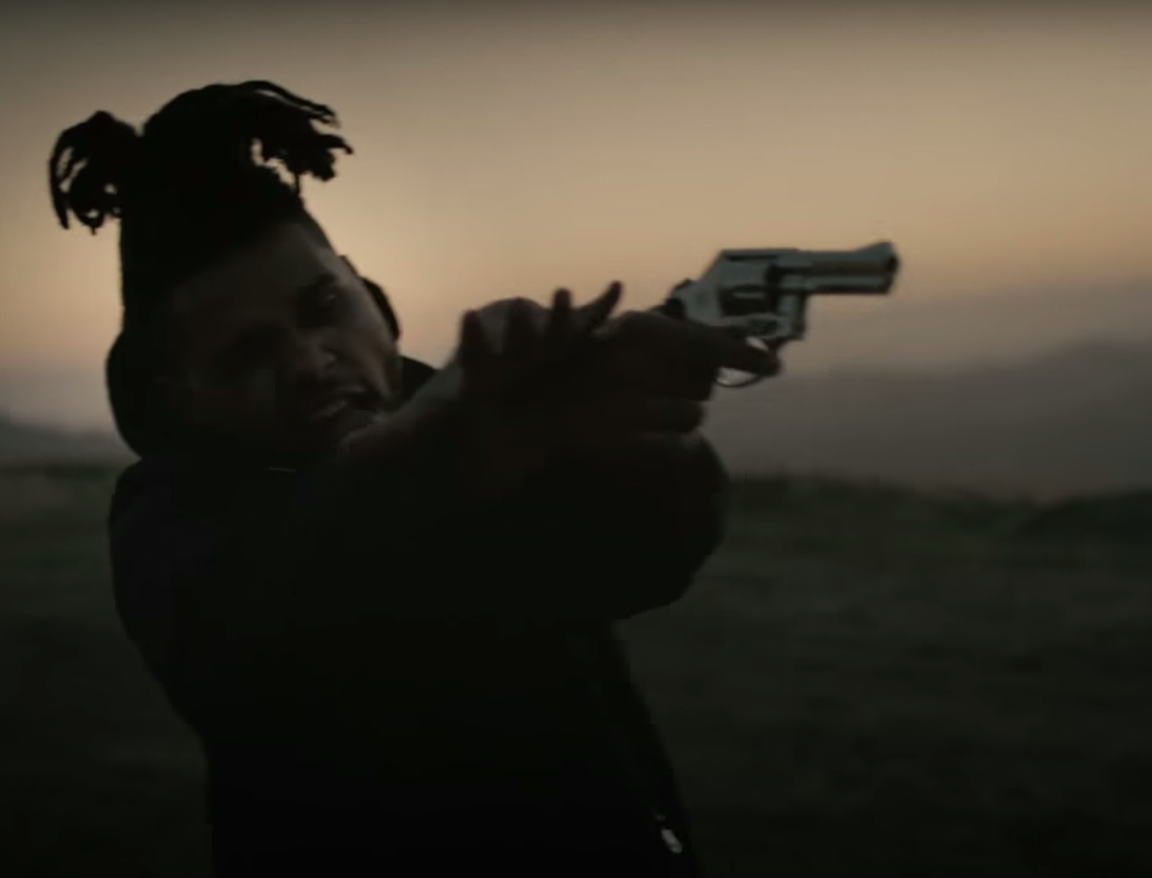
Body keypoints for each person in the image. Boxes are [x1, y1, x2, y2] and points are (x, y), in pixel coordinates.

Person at [48, 81, 778, 876]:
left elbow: (645, 559)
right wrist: (454, 453)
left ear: (371, 296)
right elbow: (269, 606)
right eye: (247, 353)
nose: (309, 362)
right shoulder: (170, 526)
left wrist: (643, 441)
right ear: (179, 394)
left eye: (323, 307)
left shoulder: (481, 418)